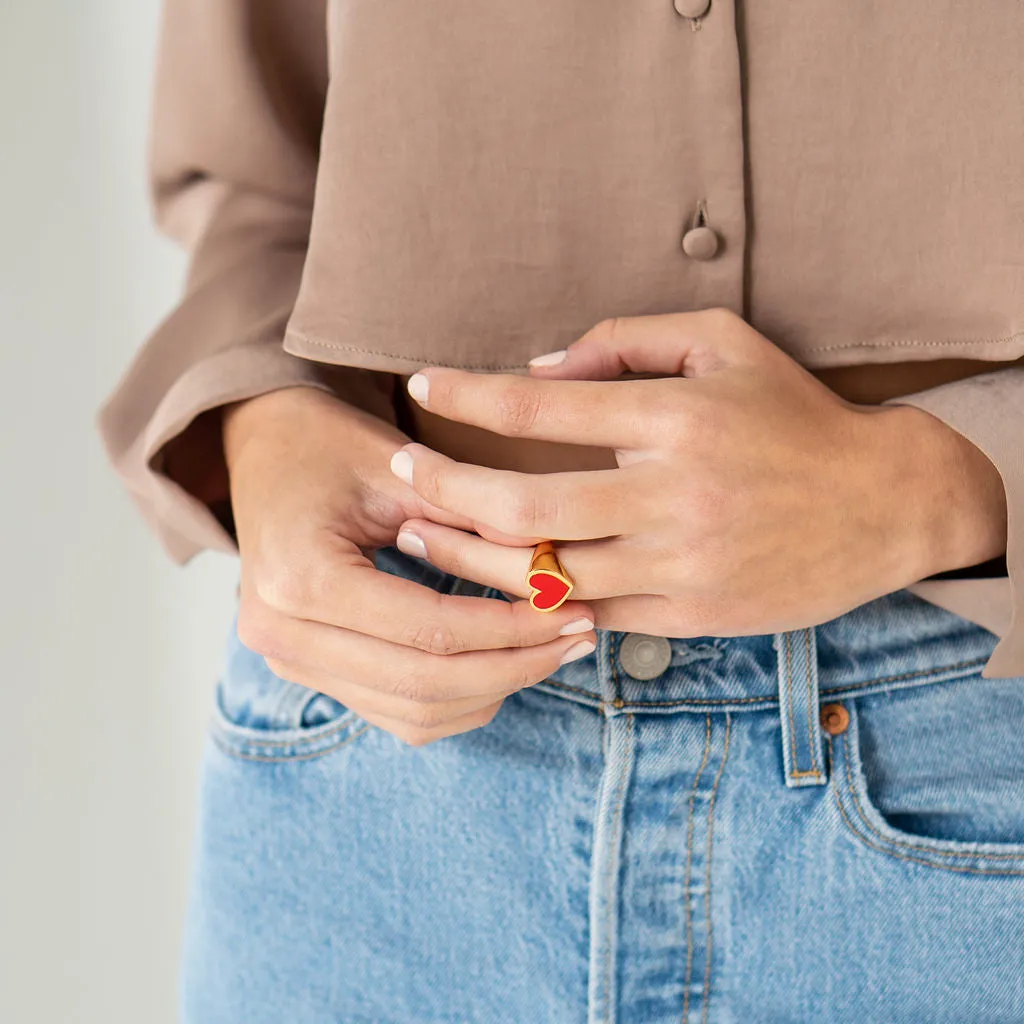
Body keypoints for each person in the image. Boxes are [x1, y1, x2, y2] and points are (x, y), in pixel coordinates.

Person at [98, 1, 1024, 1020]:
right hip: (378, 766)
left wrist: (941, 488)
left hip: (966, 744)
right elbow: (249, 179)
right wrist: (267, 426)